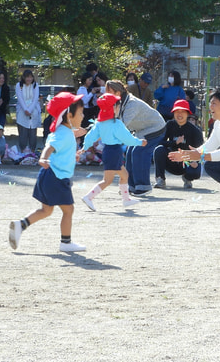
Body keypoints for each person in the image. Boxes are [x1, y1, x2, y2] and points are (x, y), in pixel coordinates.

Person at [8, 92, 87, 252]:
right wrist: (43, 158)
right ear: (69, 116)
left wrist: (73, 156)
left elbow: (59, 149)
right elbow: (49, 147)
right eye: (80, 113)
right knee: (68, 209)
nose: (83, 115)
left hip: (48, 176)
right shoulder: (64, 134)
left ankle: (20, 225)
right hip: (56, 178)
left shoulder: (63, 132)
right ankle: (66, 243)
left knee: (46, 210)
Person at [81, 93, 146, 210]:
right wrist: (139, 142)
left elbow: (90, 136)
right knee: (108, 180)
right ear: (113, 108)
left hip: (108, 151)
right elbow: (127, 138)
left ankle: (126, 200)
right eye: (118, 106)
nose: (119, 108)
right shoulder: (117, 124)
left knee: (124, 175)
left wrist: (85, 147)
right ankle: (88, 197)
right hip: (114, 152)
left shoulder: (99, 123)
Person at [105, 80, 167, 196]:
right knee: (129, 152)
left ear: (118, 92)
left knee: (139, 151)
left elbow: (121, 126)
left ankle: (144, 186)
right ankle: (131, 186)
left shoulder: (131, 103)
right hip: (141, 130)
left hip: (155, 127)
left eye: (109, 91)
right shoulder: (117, 102)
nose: (106, 94)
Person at [153, 98, 204, 190]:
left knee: (195, 172)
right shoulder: (169, 125)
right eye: (177, 112)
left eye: (182, 112)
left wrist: (195, 160)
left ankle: (187, 179)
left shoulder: (195, 130)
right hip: (172, 160)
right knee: (159, 149)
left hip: (187, 161)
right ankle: (160, 179)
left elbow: (202, 149)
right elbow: (160, 142)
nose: (179, 114)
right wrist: (174, 142)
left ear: (188, 114)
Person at [15, 69, 42, 153]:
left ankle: (32, 151)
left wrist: (30, 109)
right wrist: (25, 109)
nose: (29, 79)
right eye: (27, 77)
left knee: (33, 133)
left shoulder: (35, 85)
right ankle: (23, 150)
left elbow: (35, 99)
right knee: (23, 132)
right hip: (22, 110)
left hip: (33, 110)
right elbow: (20, 98)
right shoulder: (19, 85)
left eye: (30, 77)